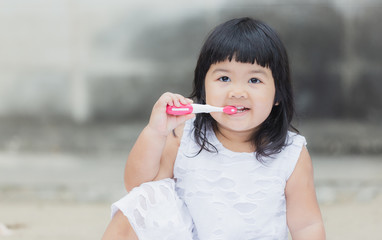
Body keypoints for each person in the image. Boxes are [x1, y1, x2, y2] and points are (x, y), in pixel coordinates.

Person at [102, 17, 325, 240]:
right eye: (224, 78)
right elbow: (138, 188)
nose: (238, 92)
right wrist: (155, 132)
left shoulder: (291, 153)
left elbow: (306, 225)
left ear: (278, 95)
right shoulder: (184, 137)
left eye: (254, 80)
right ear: (203, 88)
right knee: (140, 204)